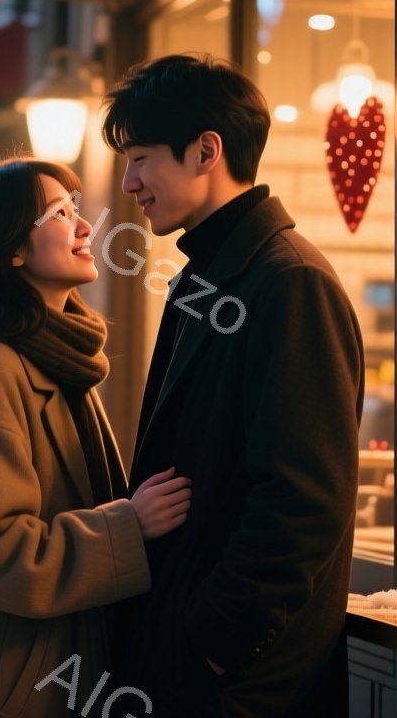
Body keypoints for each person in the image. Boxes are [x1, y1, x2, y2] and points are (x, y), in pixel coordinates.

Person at [103, 54, 366, 717]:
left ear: (206, 151)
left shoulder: (287, 280)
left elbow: (304, 501)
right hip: (192, 663)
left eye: (139, 158)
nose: (129, 181)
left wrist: (212, 644)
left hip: (241, 683)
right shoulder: (207, 275)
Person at [0, 158, 192, 718]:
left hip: (56, 678)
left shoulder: (55, 361)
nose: (86, 229)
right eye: (60, 214)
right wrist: (129, 525)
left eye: (77, 210)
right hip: (9, 687)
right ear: (11, 249)